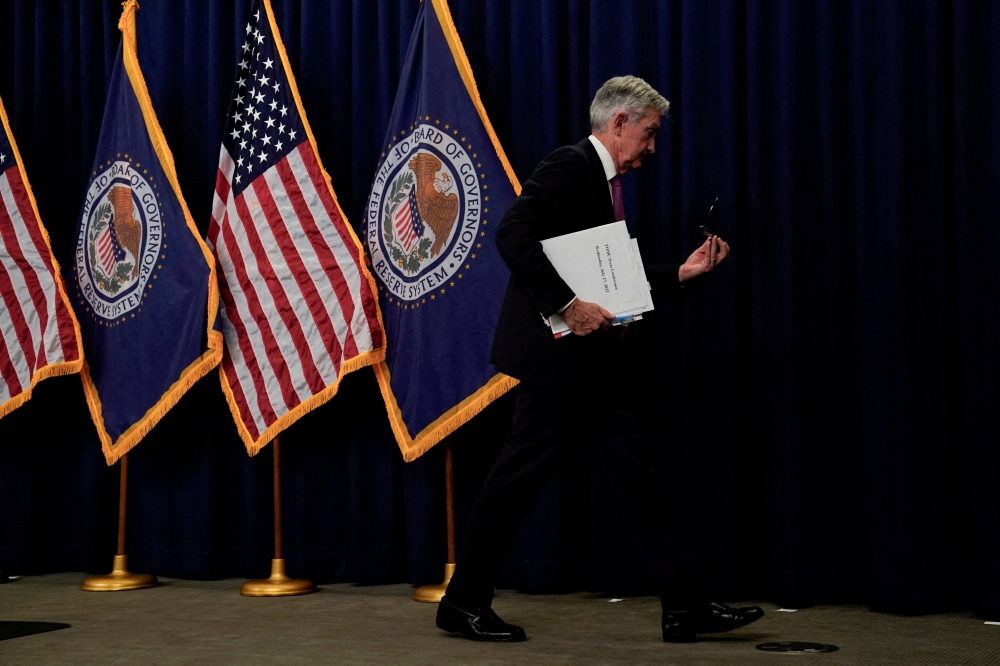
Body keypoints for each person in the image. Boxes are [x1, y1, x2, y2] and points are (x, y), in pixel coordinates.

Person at [435, 76, 762, 643]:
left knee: (642, 478)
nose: (652, 150)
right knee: (514, 483)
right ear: (619, 124)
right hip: (558, 360)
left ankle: (684, 605)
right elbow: (512, 235)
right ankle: (462, 603)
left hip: (597, 362)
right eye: (649, 134)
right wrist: (567, 305)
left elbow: (609, 282)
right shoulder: (570, 166)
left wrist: (682, 273)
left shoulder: (601, 181)